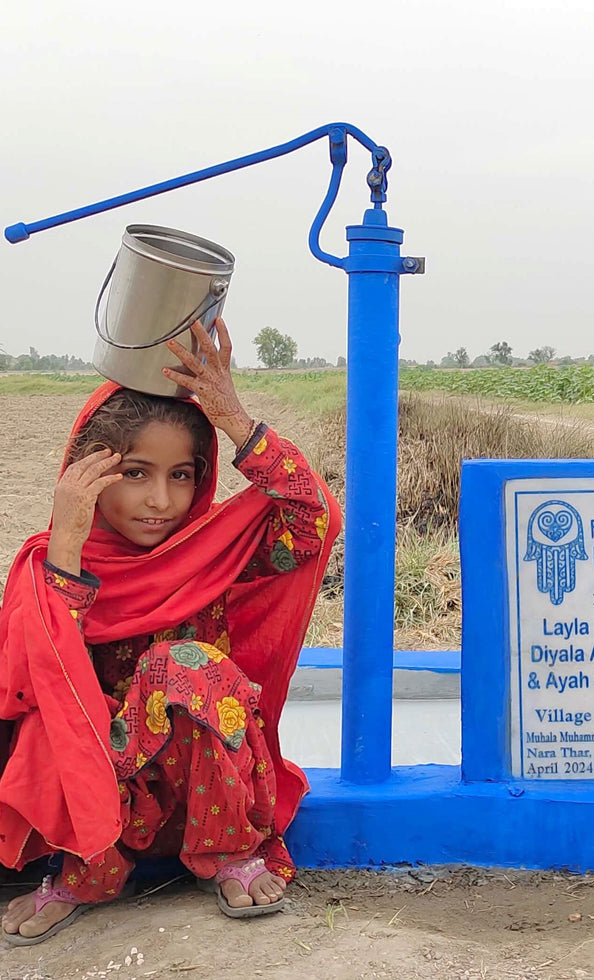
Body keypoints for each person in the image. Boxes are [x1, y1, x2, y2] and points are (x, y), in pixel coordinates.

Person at [0, 320, 341, 944]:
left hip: (213, 791)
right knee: (53, 692)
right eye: (135, 473)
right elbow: (33, 676)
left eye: (181, 474)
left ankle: (230, 854)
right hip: (106, 796)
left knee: (184, 664)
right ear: (88, 475)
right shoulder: (48, 561)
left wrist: (233, 417)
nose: (160, 499)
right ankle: (88, 869)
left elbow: (311, 519)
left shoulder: (213, 547)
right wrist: (69, 546)